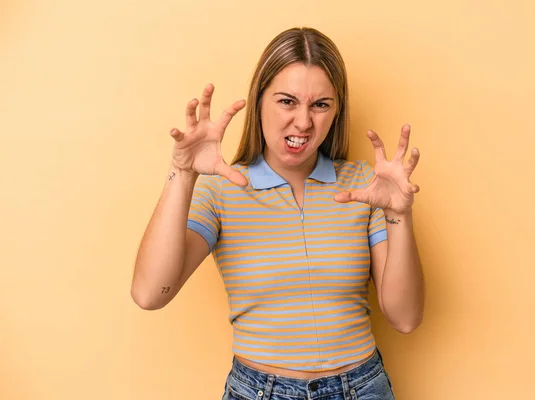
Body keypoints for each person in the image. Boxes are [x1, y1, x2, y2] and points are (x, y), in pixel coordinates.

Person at [131, 26, 424, 400]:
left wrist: (400, 215)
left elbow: (405, 318)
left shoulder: (365, 187)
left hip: (362, 388)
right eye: (287, 101)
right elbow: (149, 293)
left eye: (321, 104)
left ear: (336, 111)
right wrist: (184, 172)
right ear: (259, 102)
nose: (303, 122)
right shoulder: (222, 189)